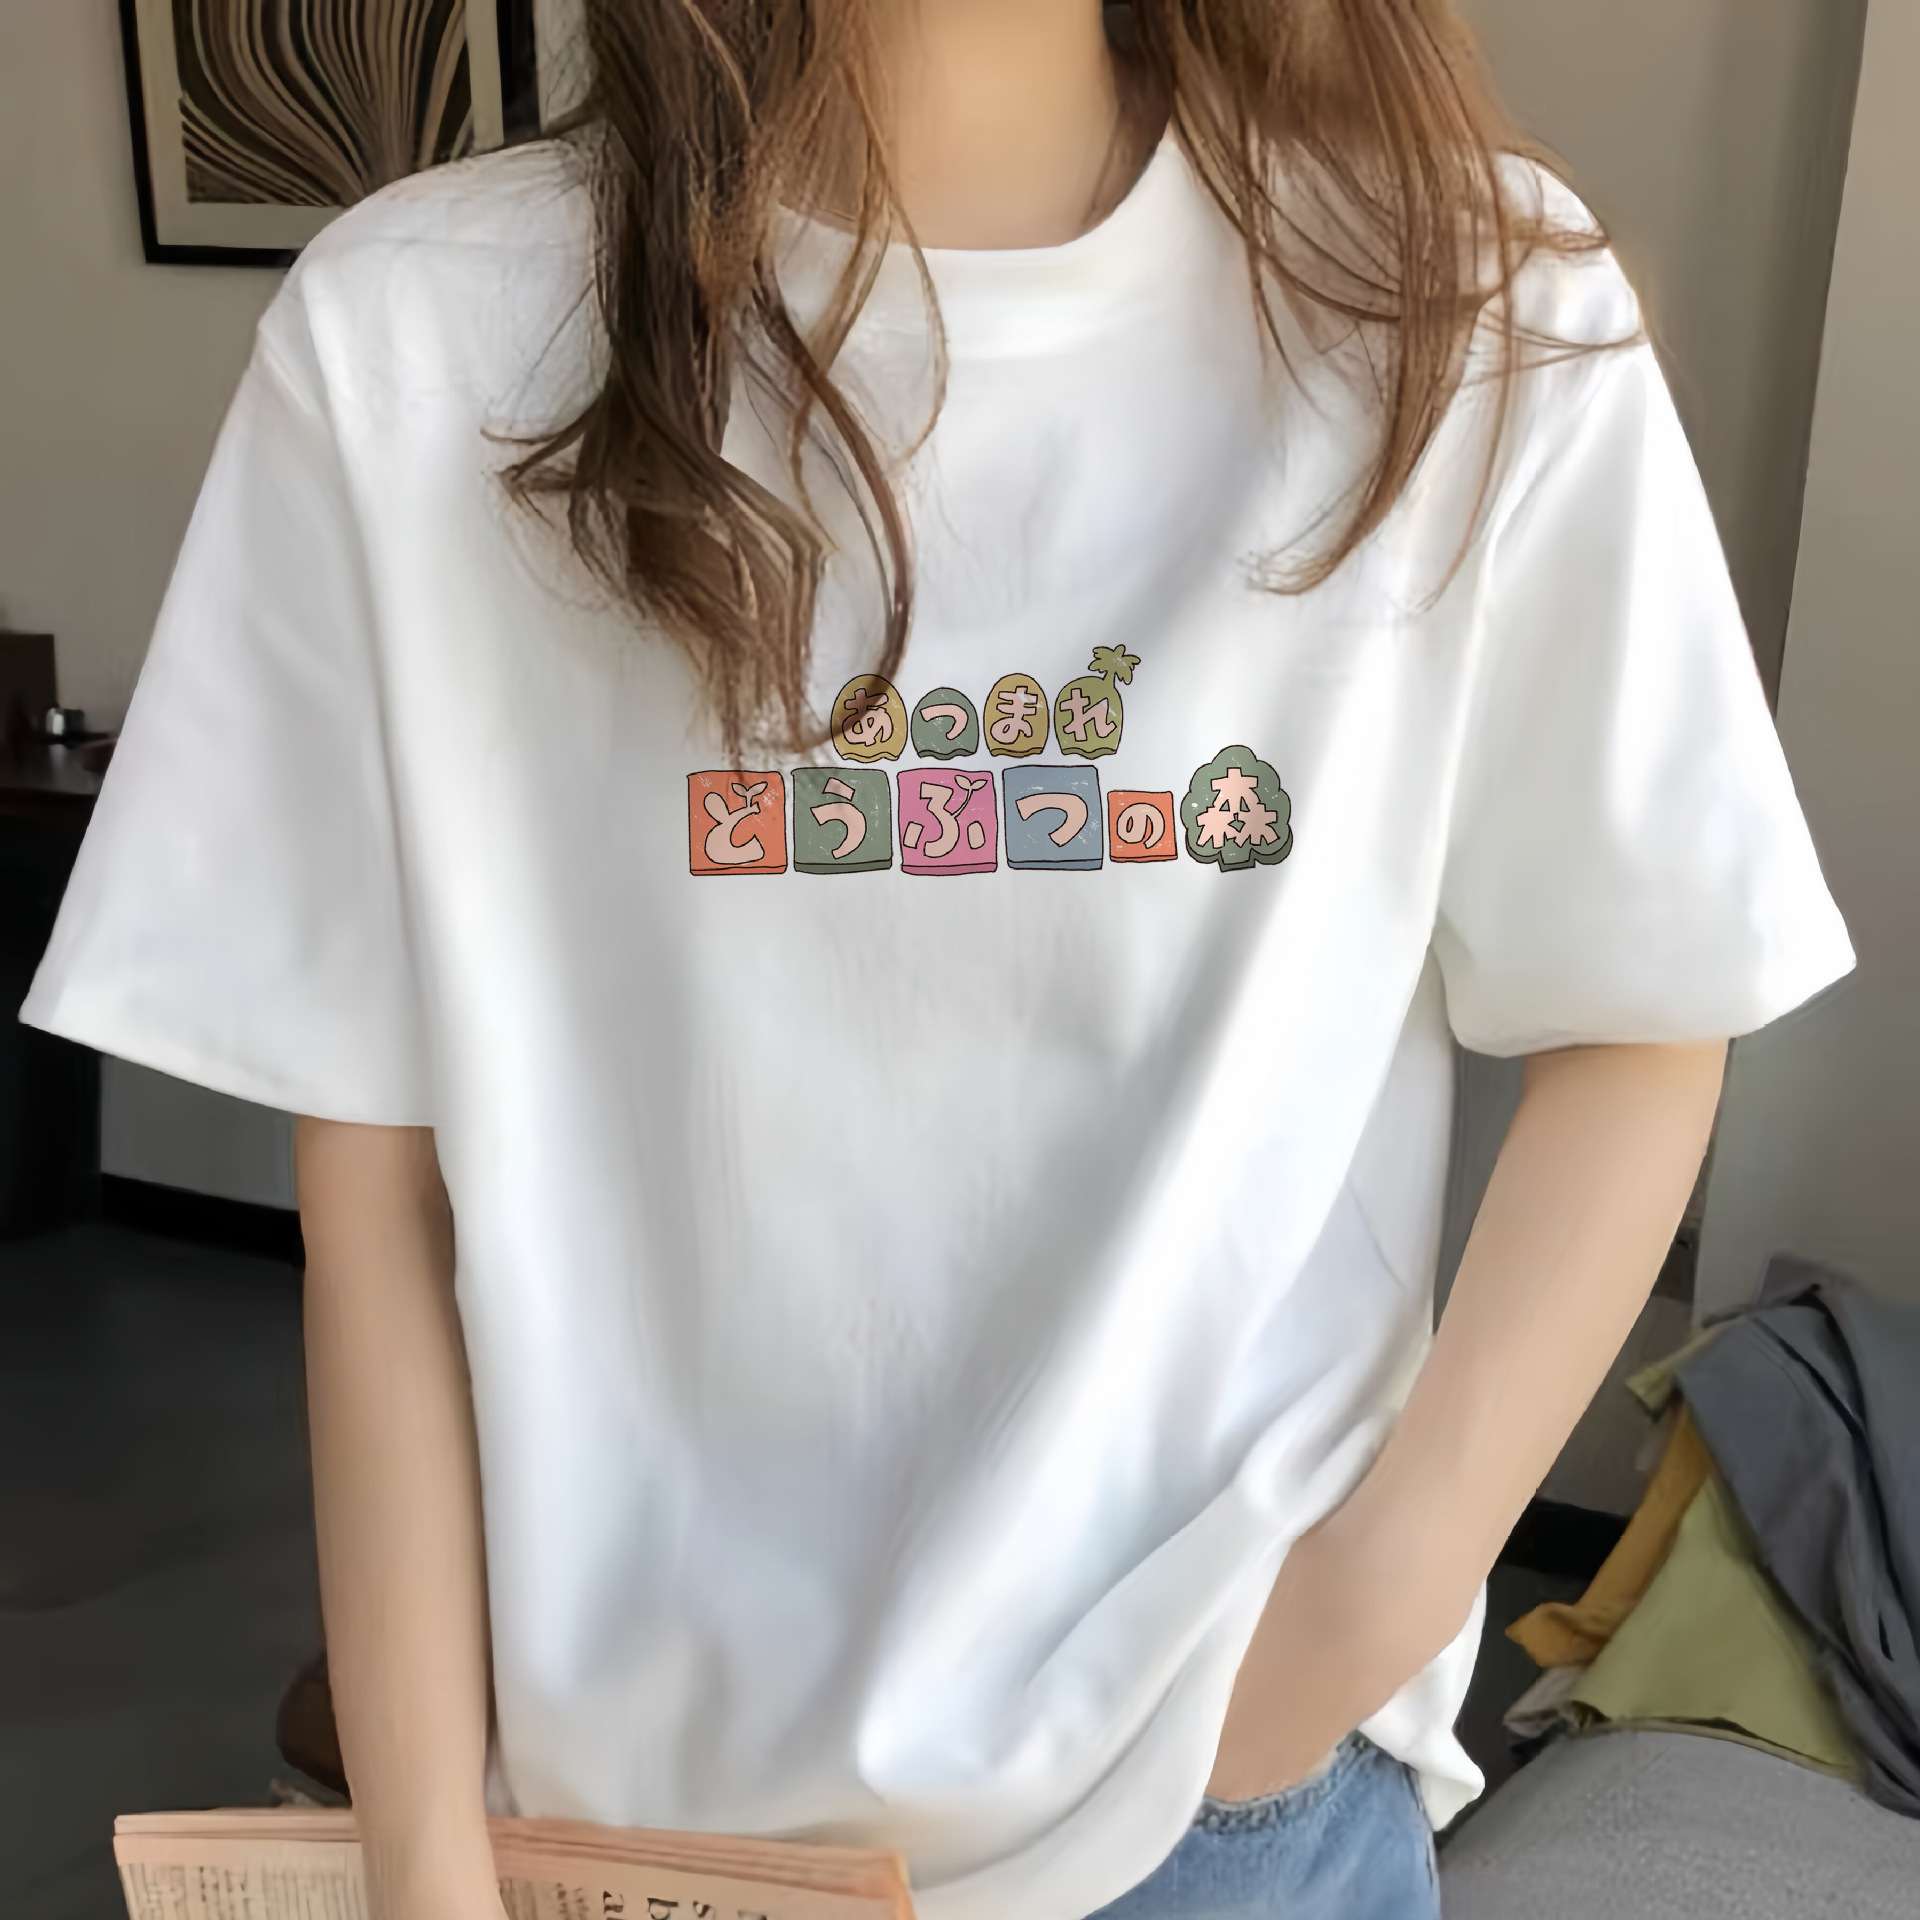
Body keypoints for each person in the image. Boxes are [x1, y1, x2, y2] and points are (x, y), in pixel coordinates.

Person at [26, 3, 1854, 1918]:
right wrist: (421, 1856)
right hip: (626, 1830)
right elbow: (376, 1192)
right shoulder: (409, 342)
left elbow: (1647, 1012)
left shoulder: (1466, 314)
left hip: (1217, 1816)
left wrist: (1352, 1620)